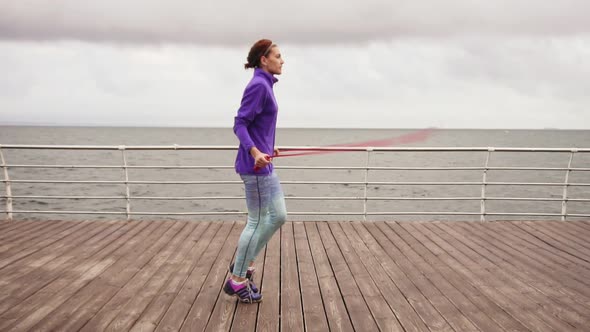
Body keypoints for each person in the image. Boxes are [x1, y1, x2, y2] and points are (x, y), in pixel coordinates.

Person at [223, 39, 287, 303]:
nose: (282, 60)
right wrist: (255, 152)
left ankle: (244, 262)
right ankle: (237, 279)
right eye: (278, 56)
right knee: (258, 220)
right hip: (255, 168)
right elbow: (240, 124)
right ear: (264, 59)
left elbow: (258, 126)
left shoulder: (266, 85)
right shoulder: (259, 86)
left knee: (279, 216)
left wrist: (269, 147)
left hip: (265, 163)